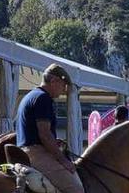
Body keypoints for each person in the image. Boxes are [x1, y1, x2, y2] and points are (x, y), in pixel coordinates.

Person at [16, 64, 84, 193]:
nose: (63, 90)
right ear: (54, 81)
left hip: (24, 151)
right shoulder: (43, 98)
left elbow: (36, 132)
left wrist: (53, 140)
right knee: (76, 190)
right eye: (63, 85)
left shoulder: (31, 95)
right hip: (37, 154)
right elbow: (45, 135)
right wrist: (63, 161)